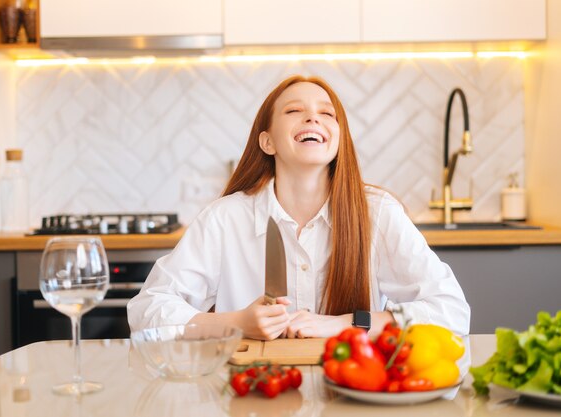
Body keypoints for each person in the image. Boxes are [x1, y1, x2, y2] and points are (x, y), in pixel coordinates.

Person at [127, 75, 471, 340]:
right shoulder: (224, 219)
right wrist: (235, 323)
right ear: (268, 141)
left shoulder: (377, 214)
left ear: (338, 138)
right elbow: (147, 311)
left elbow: (451, 311)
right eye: (294, 111)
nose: (312, 118)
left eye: (326, 113)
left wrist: (345, 325)